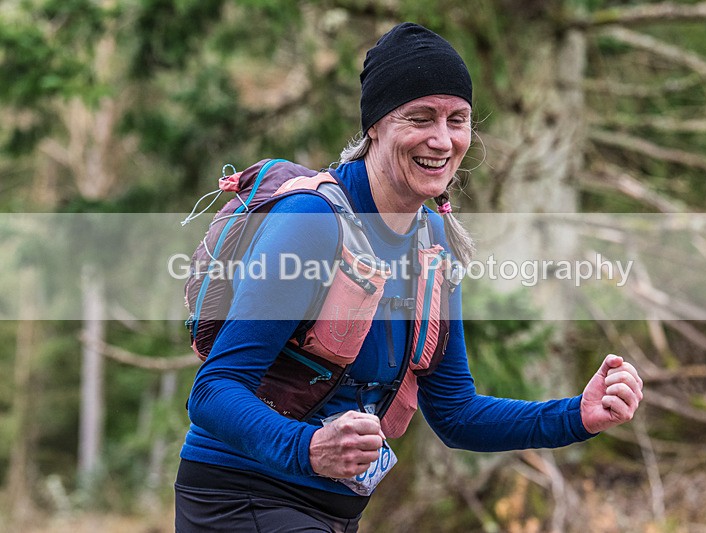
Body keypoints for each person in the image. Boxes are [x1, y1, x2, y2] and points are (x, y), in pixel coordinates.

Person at [175, 22, 643, 532]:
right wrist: (308, 448)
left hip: (332, 512)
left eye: (457, 120)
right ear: (375, 126)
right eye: (419, 118)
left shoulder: (434, 242)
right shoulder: (312, 222)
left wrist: (578, 416)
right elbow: (213, 391)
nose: (442, 140)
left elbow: (456, 415)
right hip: (239, 498)